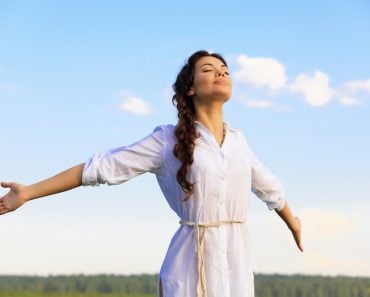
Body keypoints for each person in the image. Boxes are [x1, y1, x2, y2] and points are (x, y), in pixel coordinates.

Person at [0, 50, 303, 297]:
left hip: (236, 271)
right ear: (190, 87)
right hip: (189, 273)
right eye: (208, 69)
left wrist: (294, 224)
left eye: (224, 68)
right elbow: (100, 168)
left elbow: (270, 189)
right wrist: (28, 192)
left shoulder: (238, 141)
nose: (221, 72)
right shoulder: (166, 140)